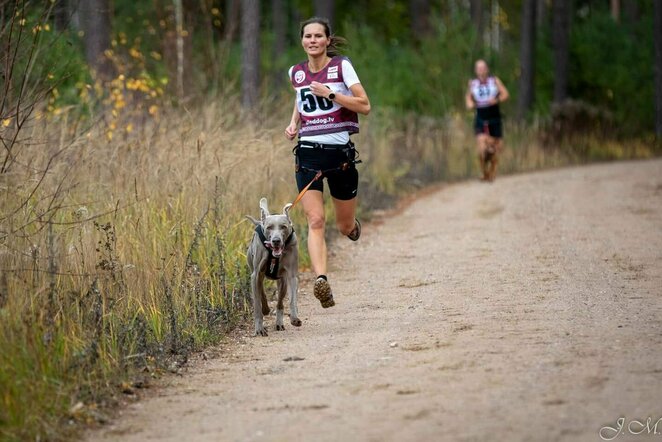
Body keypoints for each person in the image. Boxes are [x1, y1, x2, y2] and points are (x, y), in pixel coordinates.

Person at [284, 17, 370, 308]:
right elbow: (300, 99)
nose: (312, 40)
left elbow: (365, 105)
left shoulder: (341, 66)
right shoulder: (296, 73)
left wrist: (332, 94)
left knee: (343, 226)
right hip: (308, 153)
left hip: (340, 156)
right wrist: (293, 123)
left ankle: (351, 227)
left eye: (318, 36)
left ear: (327, 40)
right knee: (315, 220)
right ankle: (321, 279)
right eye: (307, 36)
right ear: (302, 41)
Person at [465, 59, 509, 181]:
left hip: (495, 117)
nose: (481, 71)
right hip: (481, 118)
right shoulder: (472, 84)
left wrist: (496, 100)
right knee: (482, 147)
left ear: (487, 69)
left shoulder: (494, 81)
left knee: (495, 148)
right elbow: (468, 98)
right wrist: (470, 104)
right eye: (479, 68)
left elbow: (505, 94)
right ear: (475, 71)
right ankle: (484, 172)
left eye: (483, 68)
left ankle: (491, 171)